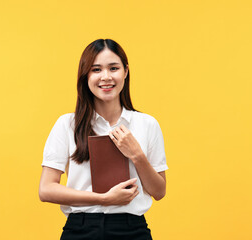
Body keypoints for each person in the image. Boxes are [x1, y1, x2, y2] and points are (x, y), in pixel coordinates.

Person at [39, 39, 168, 240]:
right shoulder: (67, 124)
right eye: (96, 69)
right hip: (80, 229)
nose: (106, 77)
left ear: (125, 71)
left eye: (113, 68)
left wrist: (137, 154)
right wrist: (103, 199)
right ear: (85, 75)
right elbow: (46, 190)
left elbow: (159, 191)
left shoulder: (147, 124)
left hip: (132, 230)